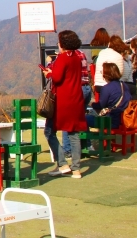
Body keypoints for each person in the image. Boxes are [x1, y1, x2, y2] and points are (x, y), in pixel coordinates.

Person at [47, 30, 88, 179]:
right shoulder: (77, 57)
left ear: (62, 43)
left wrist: (49, 73)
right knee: (74, 134)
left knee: (49, 131)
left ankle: (62, 163)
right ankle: (76, 169)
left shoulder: (62, 58)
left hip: (63, 100)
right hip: (76, 98)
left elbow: (57, 78)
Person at [86, 63, 131, 130]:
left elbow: (101, 105)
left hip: (110, 121)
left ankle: (87, 140)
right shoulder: (124, 85)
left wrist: (92, 104)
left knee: (83, 119)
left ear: (106, 74)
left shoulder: (106, 88)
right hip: (125, 121)